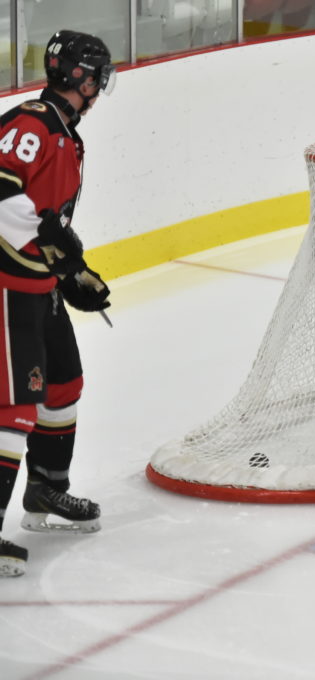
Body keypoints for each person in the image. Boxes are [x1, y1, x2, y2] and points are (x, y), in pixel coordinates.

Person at [0, 30, 116, 577]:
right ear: (77, 76)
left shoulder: (66, 132)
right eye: (95, 77)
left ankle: (46, 490)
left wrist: (70, 270)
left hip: (38, 285)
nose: (98, 88)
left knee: (64, 383)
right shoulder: (33, 123)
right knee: (14, 409)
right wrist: (50, 242)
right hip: (8, 288)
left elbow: (49, 218)